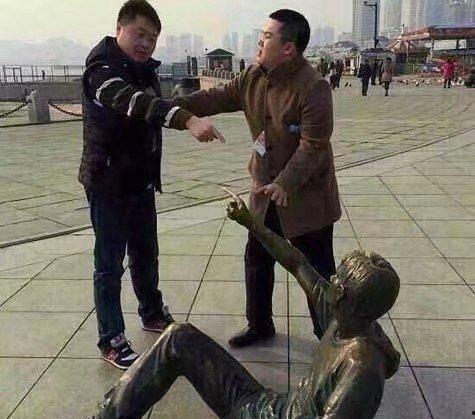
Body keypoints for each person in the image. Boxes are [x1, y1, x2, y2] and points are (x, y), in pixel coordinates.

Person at [92, 195, 401, 419]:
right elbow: (297, 262)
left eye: (336, 278)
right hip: (270, 406)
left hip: (264, 413)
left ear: (342, 293)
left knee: (178, 341)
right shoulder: (346, 315)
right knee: (178, 337)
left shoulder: (361, 366)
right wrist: (252, 223)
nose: (329, 278)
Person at [172, 9, 341, 347]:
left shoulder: (314, 88)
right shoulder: (252, 76)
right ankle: (259, 324)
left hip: (305, 196)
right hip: (264, 190)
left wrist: (285, 183)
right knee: (257, 256)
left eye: (267, 36)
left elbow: (314, 145)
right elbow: (215, 98)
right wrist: (171, 110)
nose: (260, 42)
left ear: (288, 48)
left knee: (316, 270)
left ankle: (331, 337)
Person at [78, 0, 222, 370]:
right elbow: (135, 103)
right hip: (108, 183)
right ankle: (111, 339)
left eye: (153, 38)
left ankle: (152, 312)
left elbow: (153, 106)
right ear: (119, 29)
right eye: (140, 34)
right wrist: (187, 119)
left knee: (146, 254)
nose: (146, 44)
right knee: (109, 265)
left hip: (140, 181)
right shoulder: (101, 70)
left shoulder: (143, 69)